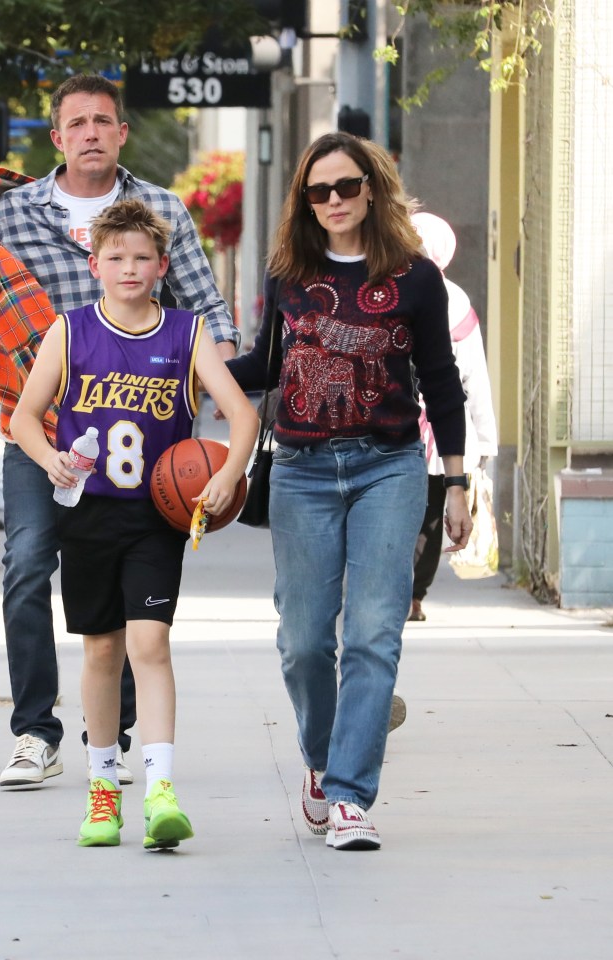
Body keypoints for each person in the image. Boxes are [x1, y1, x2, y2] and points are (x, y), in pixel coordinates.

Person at [0, 74, 239, 790]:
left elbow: (208, 314)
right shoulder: (13, 213)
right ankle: (34, 731)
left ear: (123, 133)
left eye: (104, 121)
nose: (92, 132)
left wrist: (219, 393)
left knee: (120, 585)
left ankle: (112, 739)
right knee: (28, 563)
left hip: (140, 441)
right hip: (44, 429)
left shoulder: (162, 211)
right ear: (56, 138)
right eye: (77, 122)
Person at [227, 132, 472, 851]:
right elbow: (265, 365)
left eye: (346, 186)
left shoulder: (415, 278)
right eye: (318, 191)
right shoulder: (288, 275)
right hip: (302, 471)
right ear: (305, 201)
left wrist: (455, 480)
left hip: (389, 468)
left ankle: (350, 797)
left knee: (372, 633)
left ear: (372, 187)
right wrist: (178, 361)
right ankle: (322, 759)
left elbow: (441, 381)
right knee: (304, 642)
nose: (333, 201)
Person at [9, 199, 258, 847]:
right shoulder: (69, 331)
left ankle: (160, 789)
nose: (128, 267)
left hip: (156, 515)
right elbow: (24, 418)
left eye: (141, 257)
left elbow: (242, 414)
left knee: (150, 645)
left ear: (162, 266)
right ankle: (100, 790)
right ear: (94, 265)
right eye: (115, 256)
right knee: (100, 650)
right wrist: (50, 459)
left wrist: (229, 473)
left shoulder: (187, 331)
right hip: (88, 513)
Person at [409, 212, 498, 621]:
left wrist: (482, 441)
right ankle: (412, 596)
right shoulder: (456, 300)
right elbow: (475, 379)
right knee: (427, 517)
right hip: (436, 440)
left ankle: (405, 594)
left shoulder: (392, 291)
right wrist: (483, 441)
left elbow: (469, 378)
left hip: (422, 434)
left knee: (420, 516)